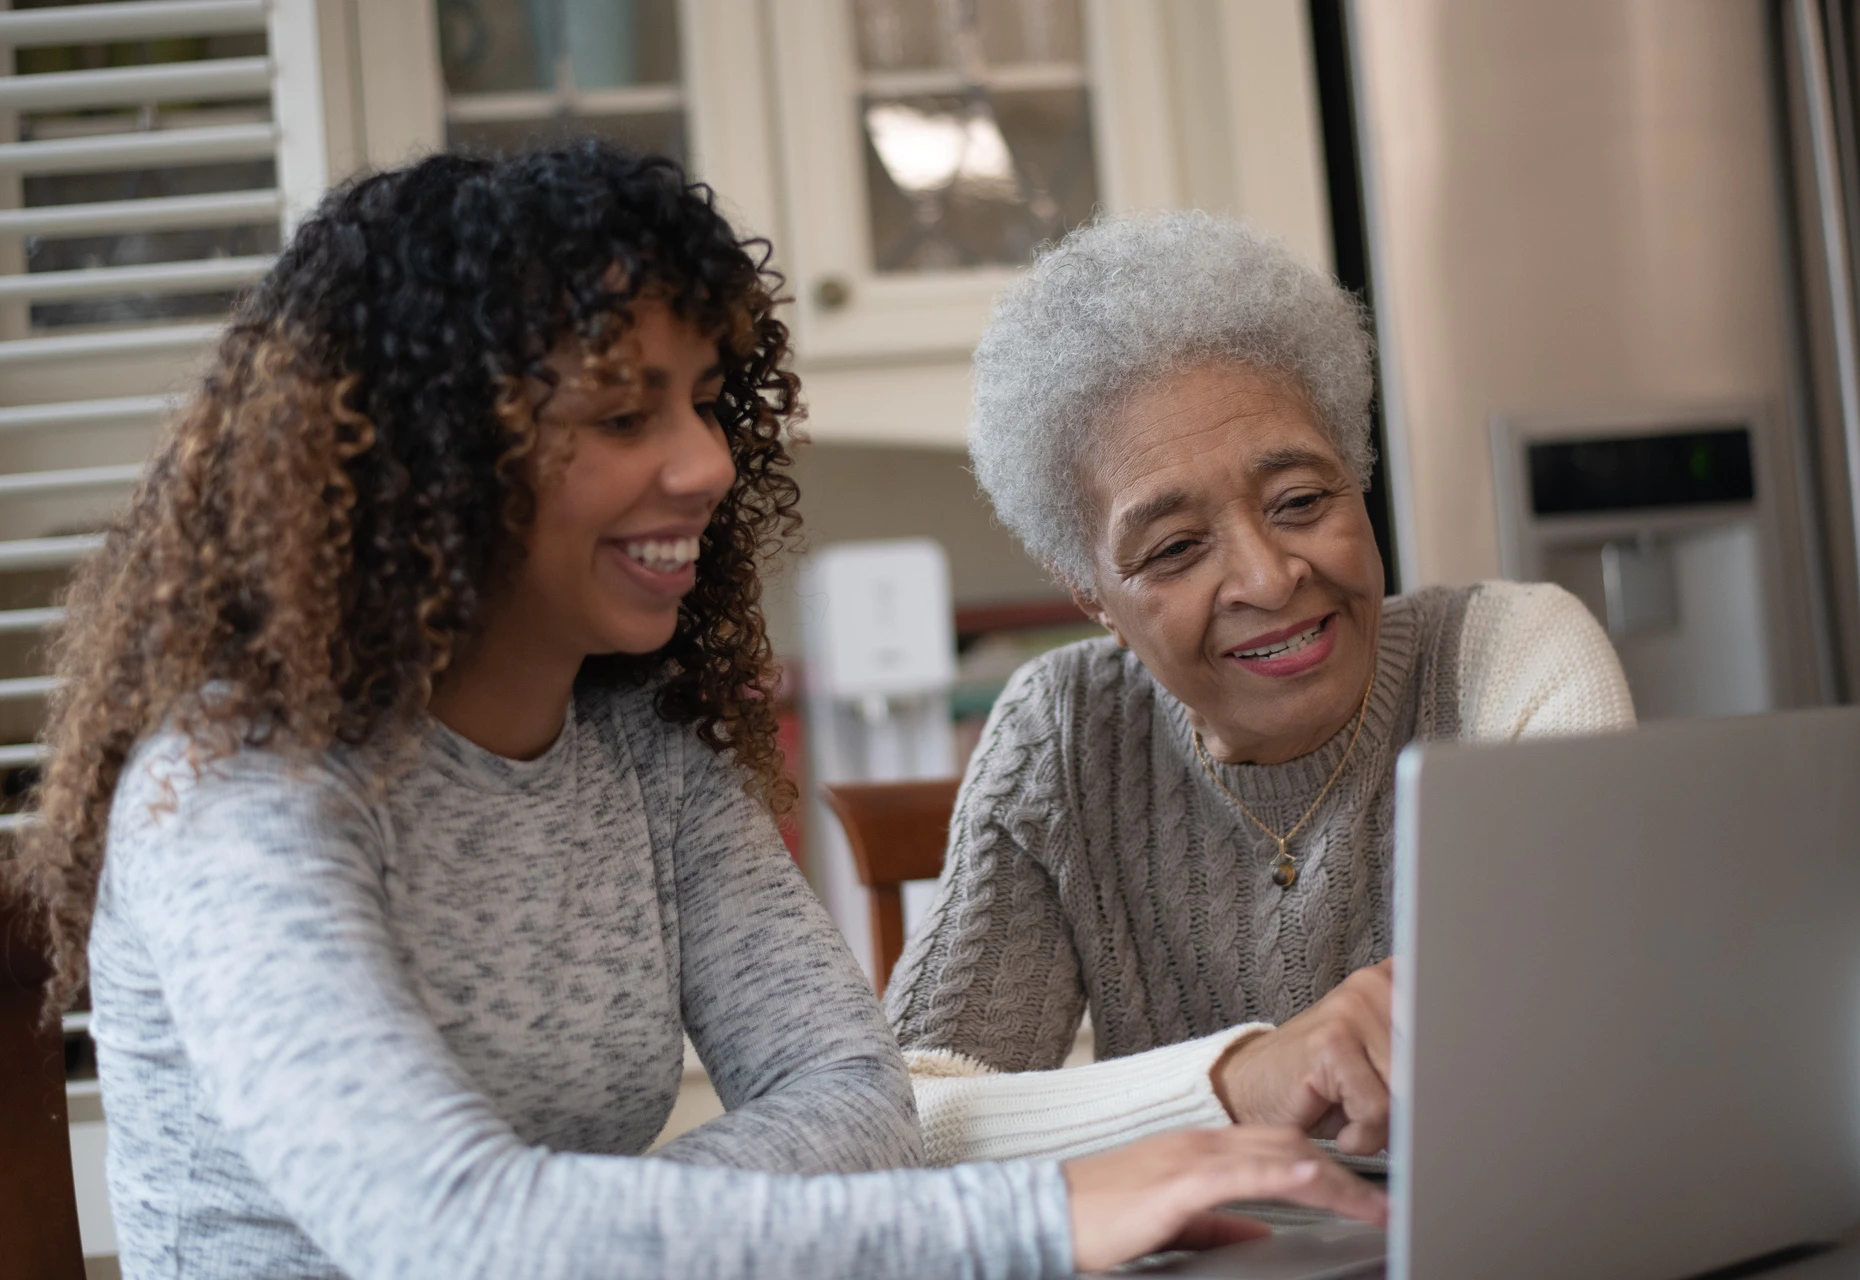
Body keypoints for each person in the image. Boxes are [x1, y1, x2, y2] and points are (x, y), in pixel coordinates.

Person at [8, 150, 1384, 1280]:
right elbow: (438, 1229)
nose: (710, 460)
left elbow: (857, 1104)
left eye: (711, 401)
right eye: (623, 412)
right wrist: (1036, 1222)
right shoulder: (239, 788)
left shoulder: (645, 749)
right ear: (426, 449)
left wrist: (582, 1233)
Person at [888, 210, 1637, 1166]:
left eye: (1301, 501)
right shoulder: (1063, 739)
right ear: (1095, 600)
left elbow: (1592, 1044)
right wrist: (1236, 1084)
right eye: (1174, 549)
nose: (1270, 576)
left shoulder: (1514, 657)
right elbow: (902, 1119)